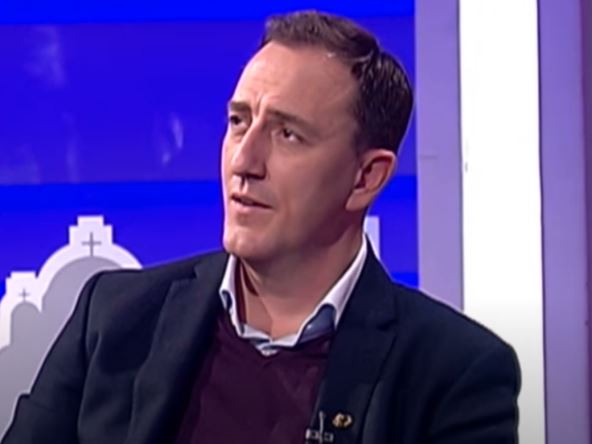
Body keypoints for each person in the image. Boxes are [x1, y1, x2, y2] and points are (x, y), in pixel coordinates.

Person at [1, 10, 520, 444]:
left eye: (288, 134)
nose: (243, 161)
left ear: (366, 177)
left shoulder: (453, 376)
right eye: (238, 122)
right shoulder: (114, 319)